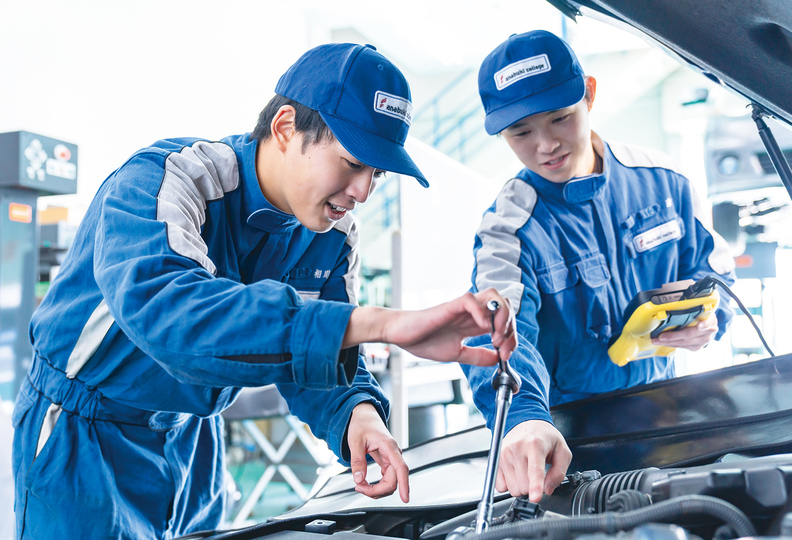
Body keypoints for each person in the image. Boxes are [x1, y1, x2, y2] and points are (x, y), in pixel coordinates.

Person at [12, 43, 517, 539]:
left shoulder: (330, 235)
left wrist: (357, 415)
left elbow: (326, 355)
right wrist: (382, 324)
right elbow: (176, 319)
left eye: (376, 173)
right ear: (284, 128)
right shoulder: (166, 181)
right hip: (83, 437)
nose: (364, 192)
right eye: (351, 162)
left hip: (192, 439)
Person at [462, 30, 736, 503]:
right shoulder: (507, 228)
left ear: (588, 94)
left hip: (665, 419)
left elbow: (719, 276)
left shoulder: (665, 183)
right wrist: (525, 417)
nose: (545, 145)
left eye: (560, 119)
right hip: (568, 444)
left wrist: (712, 318)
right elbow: (497, 332)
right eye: (521, 133)